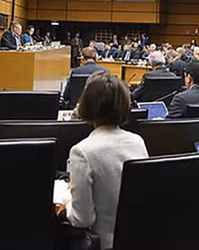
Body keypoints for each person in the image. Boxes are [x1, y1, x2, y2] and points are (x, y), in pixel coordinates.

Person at [60, 71, 148, 250]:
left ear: (86, 104)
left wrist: (68, 203)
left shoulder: (82, 152)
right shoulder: (138, 142)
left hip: (101, 244)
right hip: (135, 240)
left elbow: (81, 219)